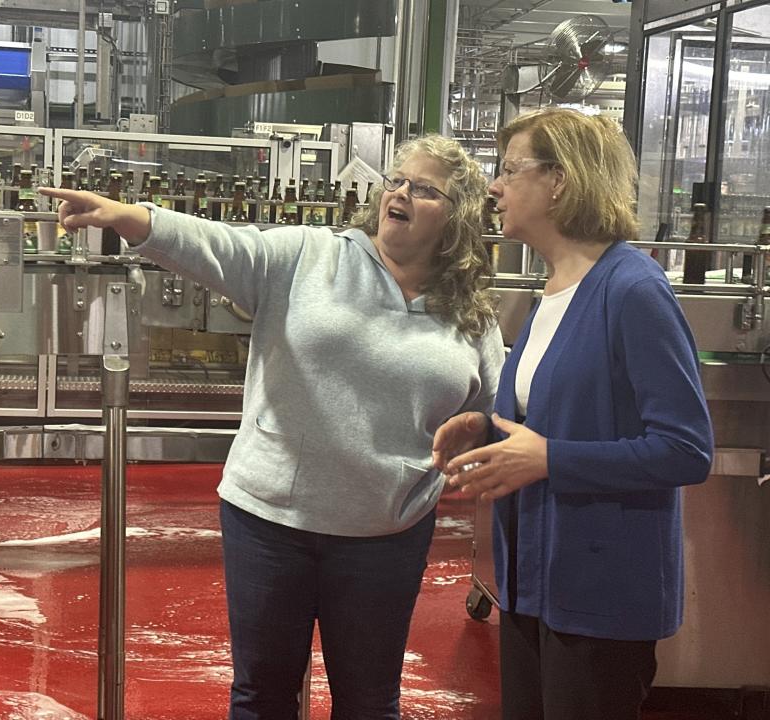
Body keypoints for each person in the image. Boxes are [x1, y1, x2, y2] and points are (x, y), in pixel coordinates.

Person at [41, 134, 504, 720]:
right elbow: (221, 246)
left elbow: (490, 409)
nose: (402, 193)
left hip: (386, 530)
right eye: (398, 180)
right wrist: (130, 218)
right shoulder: (310, 256)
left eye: (424, 188)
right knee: (263, 696)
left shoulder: (470, 311)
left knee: (369, 700)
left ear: (455, 215)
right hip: (271, 524)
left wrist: (480, 431)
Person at [432, 108, 714, 720]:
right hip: (534, 582)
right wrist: (486, 426)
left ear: (559, 181)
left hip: (600, 595)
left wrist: (550, 459)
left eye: (510, 170)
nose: (494, 187)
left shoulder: (632, 289)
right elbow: (559, 412)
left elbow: (686, 449)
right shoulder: (556, 285)